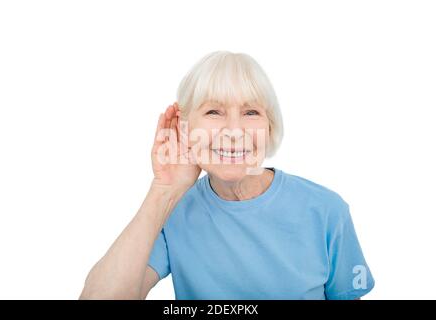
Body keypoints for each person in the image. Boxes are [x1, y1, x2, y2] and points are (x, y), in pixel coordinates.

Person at [79, 51, 375, 300]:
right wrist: (163, 191)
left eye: (250, 113)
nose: (234, 131)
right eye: (213, 112)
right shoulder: (173, 211)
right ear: (185, 129)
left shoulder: (326, 211)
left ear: (270, 128)